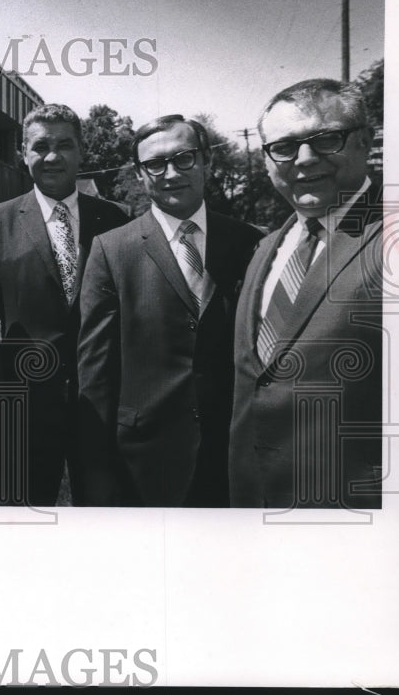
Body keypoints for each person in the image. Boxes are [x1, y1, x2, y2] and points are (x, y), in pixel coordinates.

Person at [77, 115, 263, 507]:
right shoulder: (112, 250)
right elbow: (96, 372)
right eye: (155, 164)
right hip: (143, 460)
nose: (170, 173)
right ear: (141, 175)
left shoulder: (250, 243)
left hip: (232, 454)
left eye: (184, 158)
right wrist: (97, 468)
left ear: (207, 161)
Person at [228, 79, 383, 509]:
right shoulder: (264, 250)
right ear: (266, 160)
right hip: (253, 507)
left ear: (365, 141)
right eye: (285, 147)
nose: (305, 159)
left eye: (326, 139)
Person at [0, 103, 129, 506]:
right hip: (25, 412)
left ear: (81, 152)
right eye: (40, 146)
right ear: (23, 153)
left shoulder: (117, 220)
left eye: (64, 145)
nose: (52, 157)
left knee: (106, 522)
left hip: (104, 408)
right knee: (24, 525)